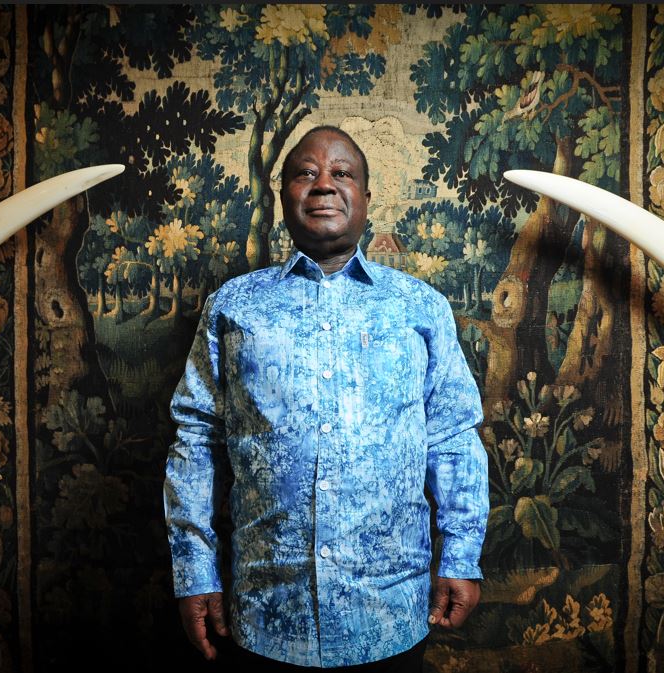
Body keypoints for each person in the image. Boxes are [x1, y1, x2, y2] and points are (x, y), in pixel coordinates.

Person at [164, 126, 489, 671]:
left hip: (389, 615)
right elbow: (196, 440)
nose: (323, 185)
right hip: (266, 616)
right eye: (306, 173)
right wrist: (194, 572)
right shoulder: (233, 306)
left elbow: (453, 437)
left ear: (365, 196)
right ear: (283, 196)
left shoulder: (420, 308)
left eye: (342, 173)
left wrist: (461, 555)